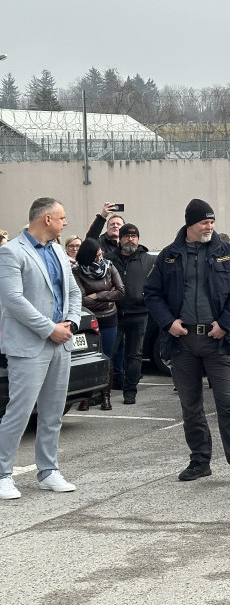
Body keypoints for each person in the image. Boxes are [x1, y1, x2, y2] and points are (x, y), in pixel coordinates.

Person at [143, 198, 230, 488]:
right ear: (190, 224)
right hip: (182, 341)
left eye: (212, 221)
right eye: (205, 221)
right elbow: (151, 293)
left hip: (218, 341)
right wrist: (169, 323)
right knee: (190, 407)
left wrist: (225, 324)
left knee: (228, 405)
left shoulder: (226, 253)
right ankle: (200, 461)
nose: (210, 226)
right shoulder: (168, 255)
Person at [0, 197, 82, 500]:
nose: (64, 223)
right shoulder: (10, 252)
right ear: (47, 219)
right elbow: (13, 300)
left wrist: (70, 323)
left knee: (52, 412)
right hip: (29, 345)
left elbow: (74, 292)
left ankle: (48, 471)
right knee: (19, 412)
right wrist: (50, 329)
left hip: (60, 342)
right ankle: (2, 473)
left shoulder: (58, 251)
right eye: (62, 218)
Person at [72, 238, 125, 412]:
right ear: (88, 256)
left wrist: (96, 296)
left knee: (107, 356)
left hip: (109, 317)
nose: (100, 259)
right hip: (87, 320)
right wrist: (106, 295)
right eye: (96, 256)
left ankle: (105, 396)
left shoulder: (109, 266)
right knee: (87, 357)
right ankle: (86, 397)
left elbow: (121, 292)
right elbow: (80, 299)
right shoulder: (77, 271)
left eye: (101, 254)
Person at [109, 224, 155, 404]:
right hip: (114, 313)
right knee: (109, 353)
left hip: (139, 314)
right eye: (127, 236)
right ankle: (102, 392)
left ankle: (130, 391)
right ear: (120, 239)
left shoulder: (148, 260)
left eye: (134, 236)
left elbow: (156, 284)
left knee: (134, 355)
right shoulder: (109, 259)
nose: (131, 239)